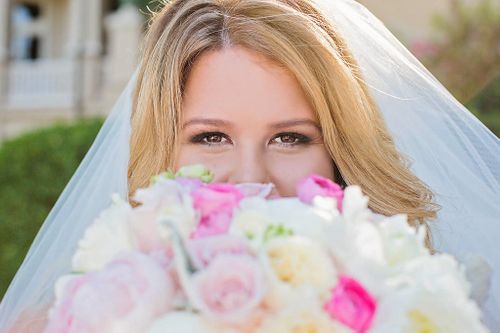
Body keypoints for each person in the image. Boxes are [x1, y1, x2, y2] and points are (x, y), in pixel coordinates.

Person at [1, 0, 499, 331]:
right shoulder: (63, 324)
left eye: (290, 138)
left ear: (339, 154)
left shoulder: (420, 310)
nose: (250, 180)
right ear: (163, 150)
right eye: (211, 137)